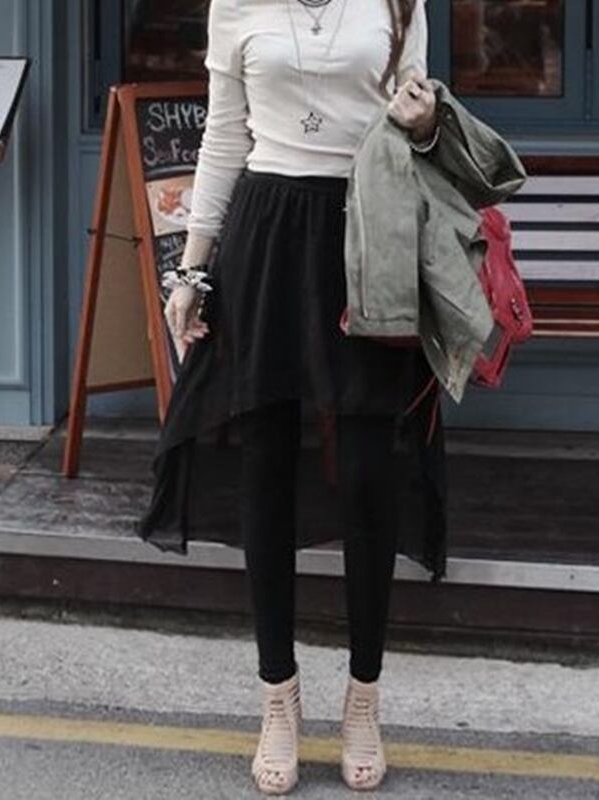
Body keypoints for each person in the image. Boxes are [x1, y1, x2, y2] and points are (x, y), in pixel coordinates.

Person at [138, 0, 441, 792]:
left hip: (367, 233)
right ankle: (278, 696)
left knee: (370, 472)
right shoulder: (236, 5)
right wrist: (192, 270)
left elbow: (423, 135)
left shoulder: (397, 3)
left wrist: (426, 124)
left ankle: (364, 699)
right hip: (267, 235)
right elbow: (223, 136)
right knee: (265, 462)